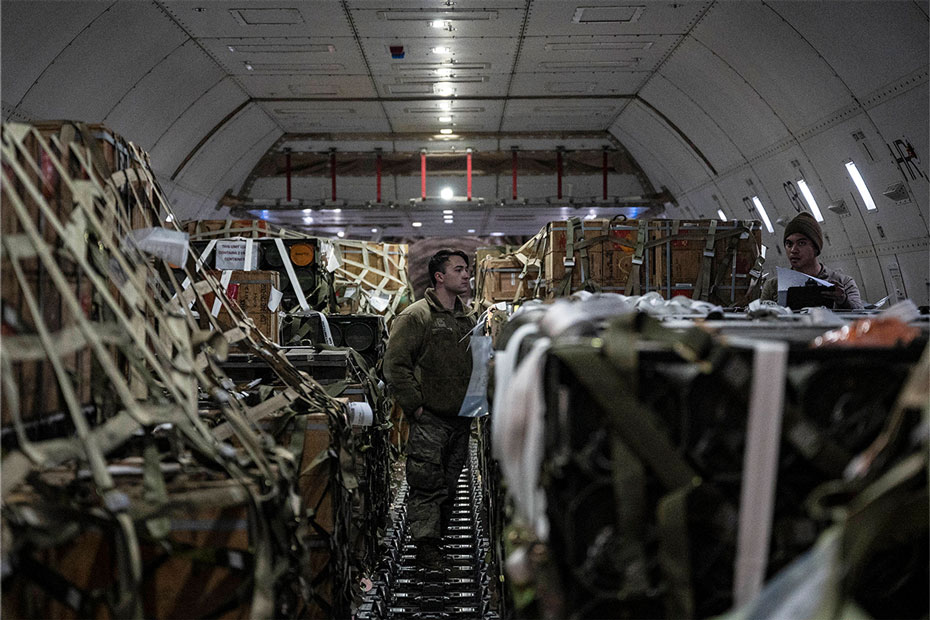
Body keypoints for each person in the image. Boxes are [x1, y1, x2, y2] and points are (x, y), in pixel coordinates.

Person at [383, 249, 476, 571]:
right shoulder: (416, 316)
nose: (466, 275)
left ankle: (435, 543)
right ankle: (426, 548)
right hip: (431, 419)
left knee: (448, 487)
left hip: (460, 419)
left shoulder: (467, 318)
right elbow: (395, 366)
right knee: (427, 485)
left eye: (466, 269)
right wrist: (416, 407)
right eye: (458, 269)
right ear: (439, 276)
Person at [760, 212, 864, 309]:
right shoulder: (773, 286)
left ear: (815, 248)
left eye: (801, 243)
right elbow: (760, 319)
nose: (793, 250)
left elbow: (860, 314)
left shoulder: (843, 283)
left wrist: (843, 300)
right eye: (789, 244)